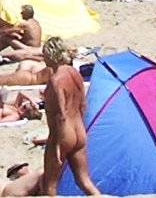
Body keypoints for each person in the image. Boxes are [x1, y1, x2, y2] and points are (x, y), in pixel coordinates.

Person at [38, 38, 98, 195]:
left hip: (64, 133)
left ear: (52, 54)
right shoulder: (75, 74)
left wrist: (56, 145)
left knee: (49, 185)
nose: (43, 58)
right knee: (84, 181)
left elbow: (61, 114)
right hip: (79, 130)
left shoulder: (56, 80)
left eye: (45, 54)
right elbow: (83, 105)